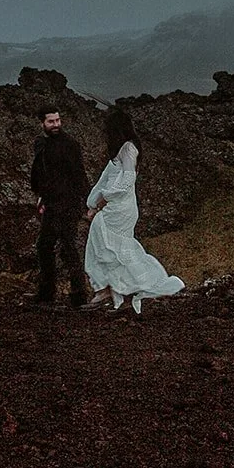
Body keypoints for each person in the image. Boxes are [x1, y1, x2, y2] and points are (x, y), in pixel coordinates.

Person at [84, 108, 185, 315]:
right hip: (116, 205)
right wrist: (93, 203)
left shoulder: (128, 149)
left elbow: (128, 180)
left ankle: (110, 289)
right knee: (108, 246)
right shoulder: (122, 149)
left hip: (120, 207)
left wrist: (103, 199)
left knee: (112, 246)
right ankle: (110, 290)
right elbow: (109, 178)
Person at [29, 104, 89, 307]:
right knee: (44, 246)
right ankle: (47, 293)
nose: (56, 125)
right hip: (52, 203)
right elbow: (41, 173)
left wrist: (85, 202)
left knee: (68, 247)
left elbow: (79, 174)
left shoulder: (69, 145)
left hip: (68, 203)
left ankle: (79, 294)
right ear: (42, 123)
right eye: (51, 121)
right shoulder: (42, 143)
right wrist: (42, 197)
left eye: (57, 120)